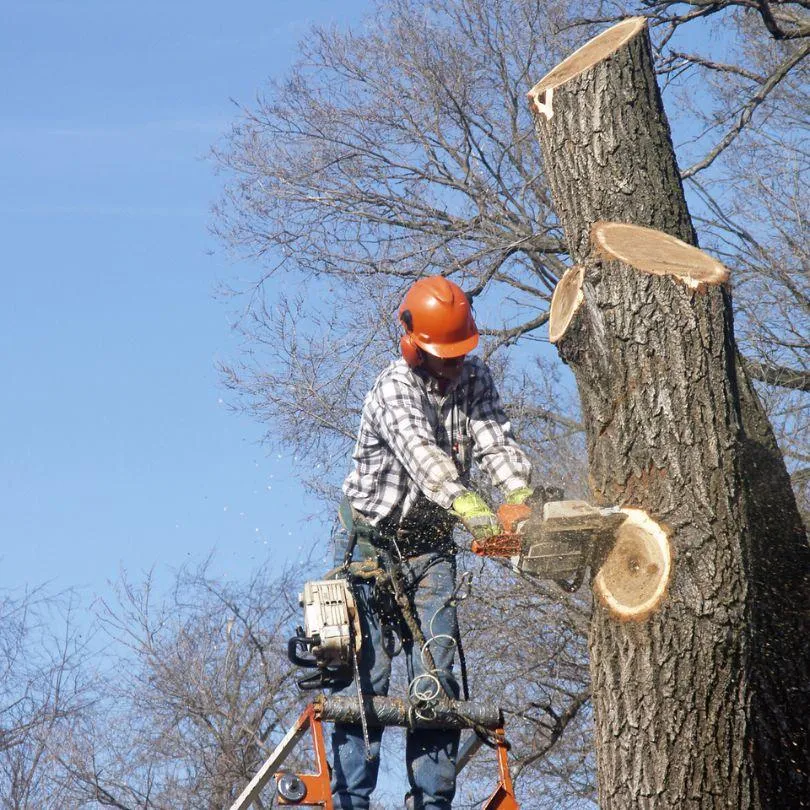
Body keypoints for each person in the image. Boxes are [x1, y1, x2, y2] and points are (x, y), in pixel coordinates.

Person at [332, 275, 535, 810]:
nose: (455, 366)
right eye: (445, 356)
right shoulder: (392, 390)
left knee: (437, 678)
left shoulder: (475, 377)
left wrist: (516, 493)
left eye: (460, 354)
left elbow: (495, 436)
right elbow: (426, 460)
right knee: (364, 684)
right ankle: (350, 802)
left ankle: (433, 803)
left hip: (430, 549)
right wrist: (473, 510)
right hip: (369, 551)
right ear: (413, 347)